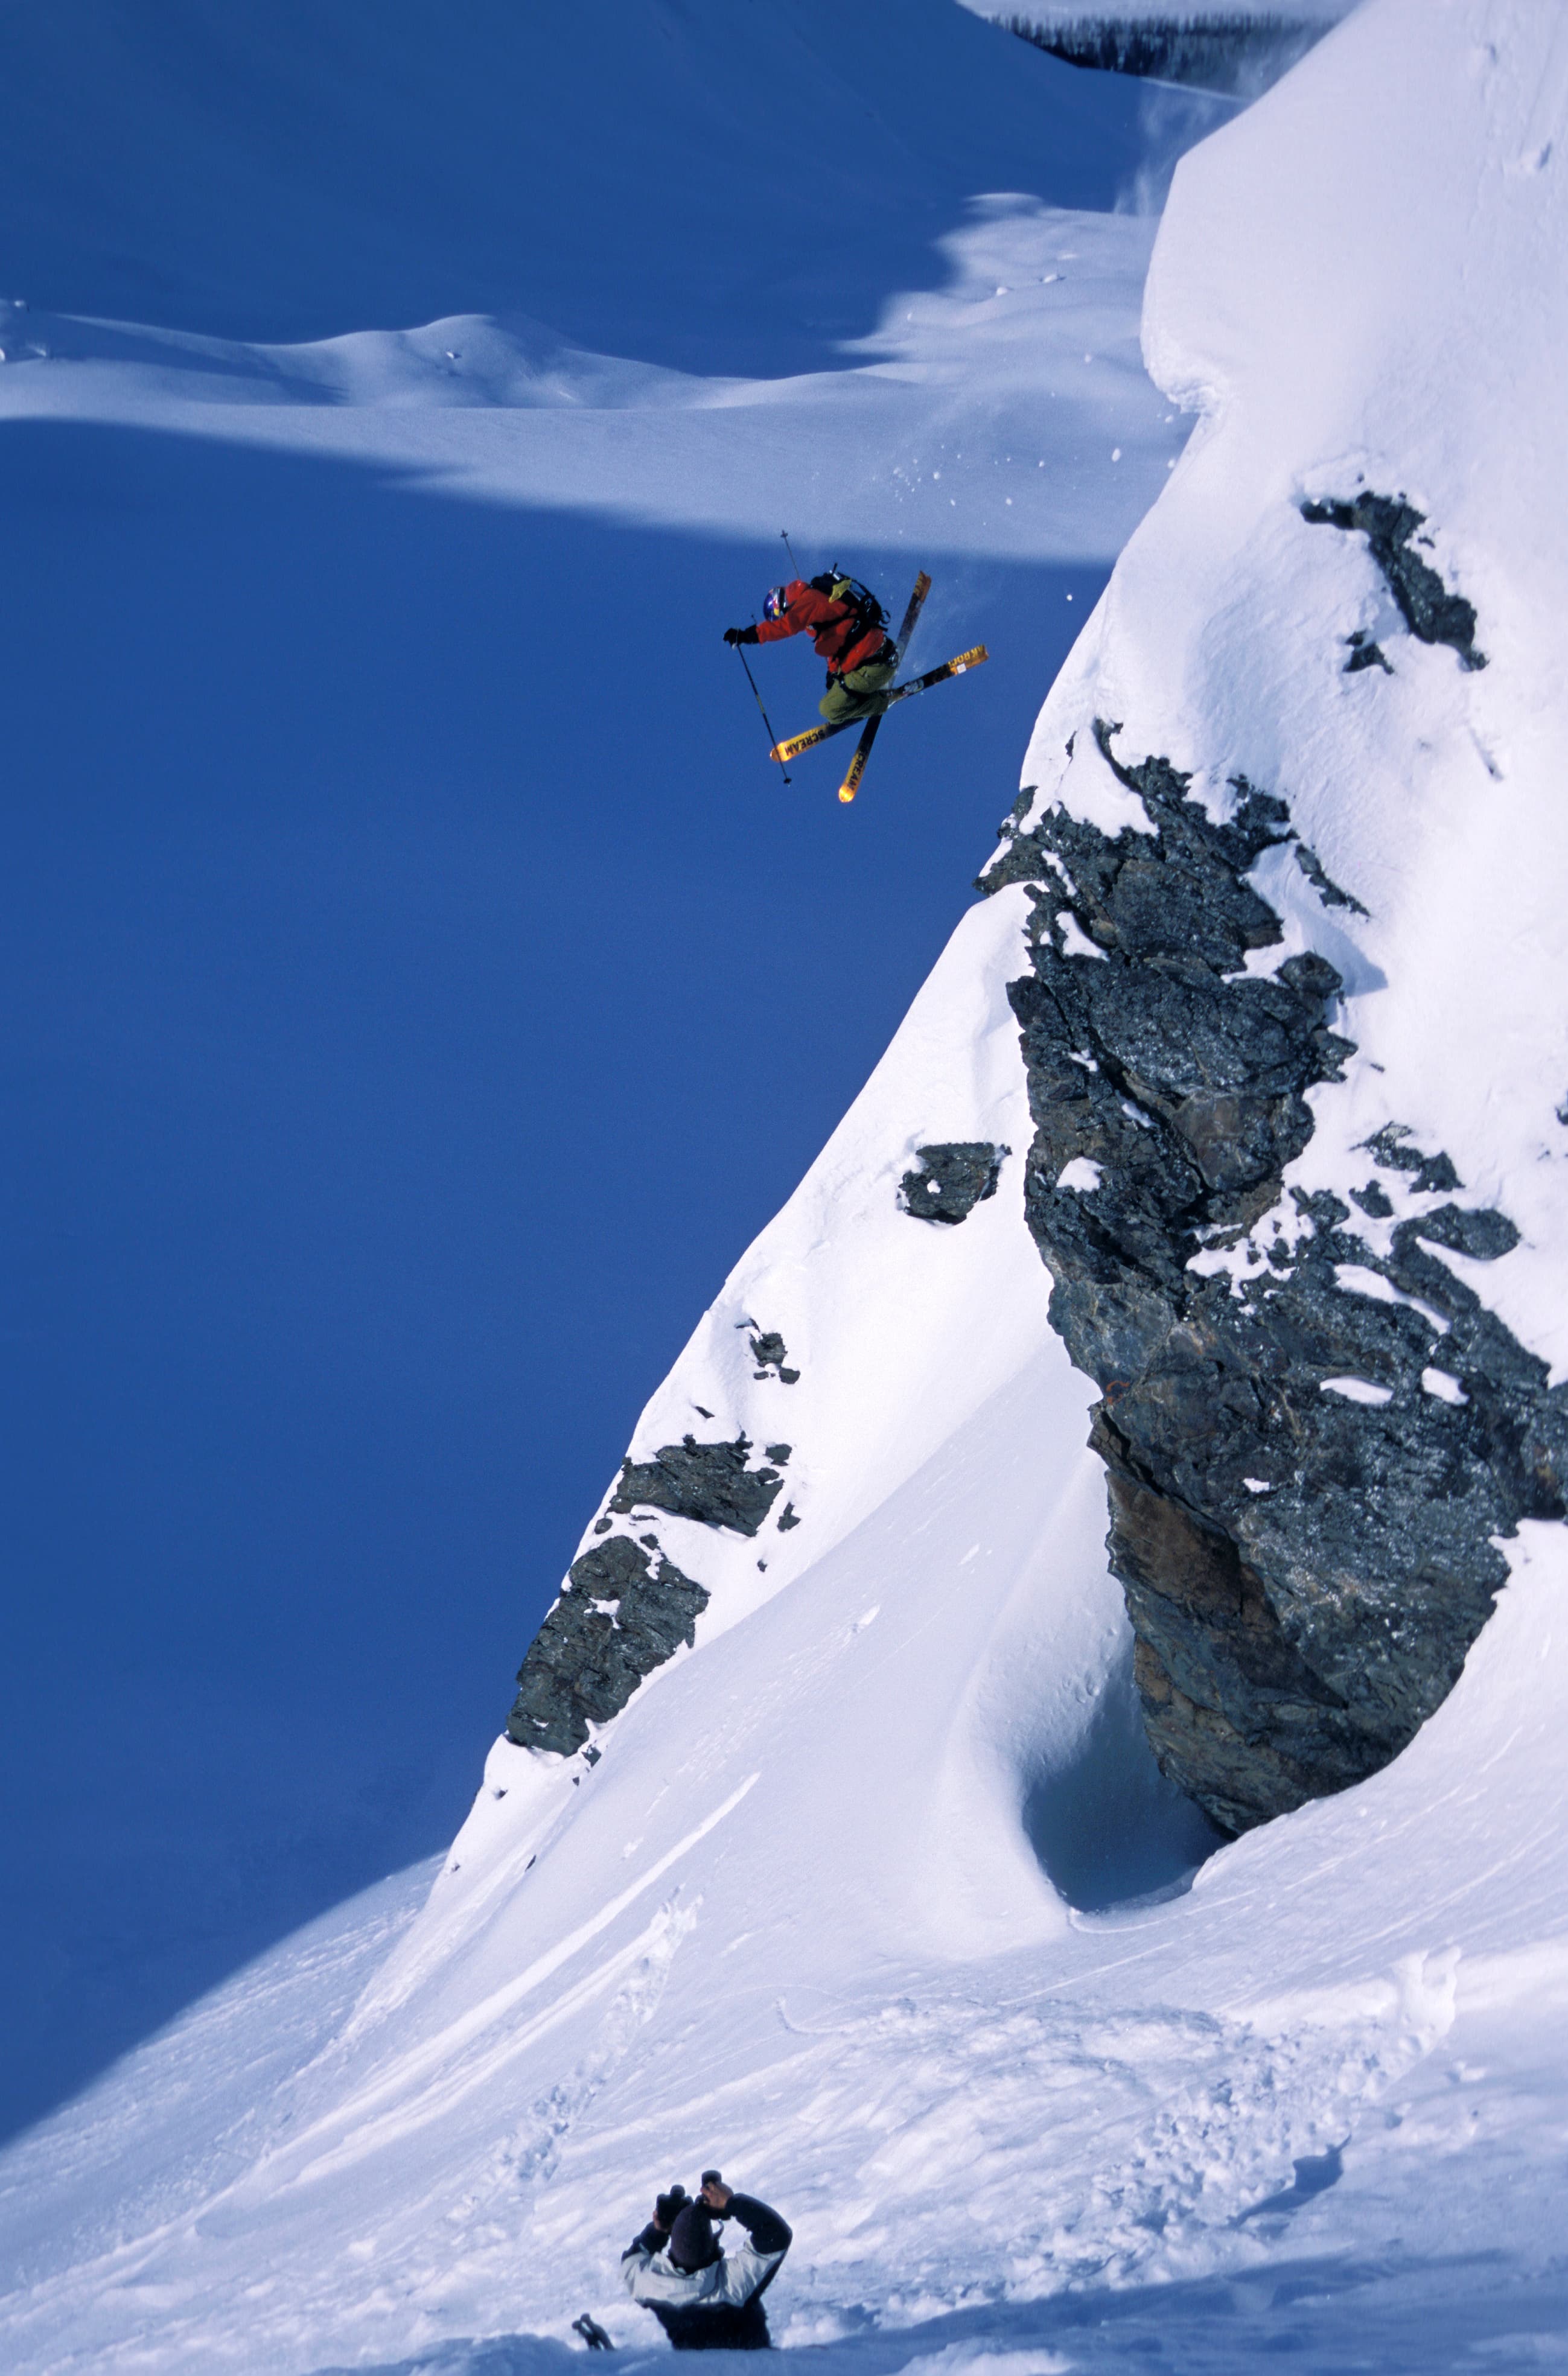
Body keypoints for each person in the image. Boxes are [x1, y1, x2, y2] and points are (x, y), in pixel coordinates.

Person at [620, 2170, 793, 2351]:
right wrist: (731, 2203)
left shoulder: (651, 2285)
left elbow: (631, 2262)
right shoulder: (731, 2287)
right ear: (712, 2245)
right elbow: (775, 2235)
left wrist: (658, 2232)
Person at [724, 575, 896, 727]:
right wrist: (832, 673)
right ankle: (867, 695)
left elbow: (786, 626)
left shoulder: (809, 601)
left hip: (874, 666)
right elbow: (840, 639)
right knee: (836, 690)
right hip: (878, 655)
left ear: (782, 607)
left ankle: (881, 702)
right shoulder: (819, 597)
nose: (781, 619)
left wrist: (747, 636)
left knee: (829, 710)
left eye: (779, 616)